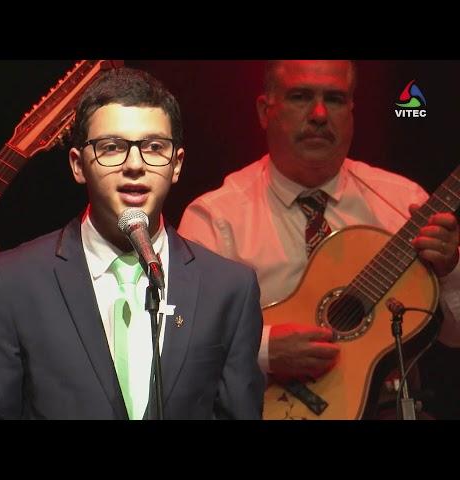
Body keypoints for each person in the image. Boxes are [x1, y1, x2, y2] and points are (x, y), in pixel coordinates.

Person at [0, 67, 264, 420]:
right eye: (111, 148)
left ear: (177, 165)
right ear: (78, 165)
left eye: (154, 147)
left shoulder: (229, 289)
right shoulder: (12, 284)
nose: (134, 164)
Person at [178, 60, 460, 418]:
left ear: (352, 111)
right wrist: (263, 350)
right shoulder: (216, 218)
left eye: (336, 99)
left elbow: (455, 335)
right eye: (300, 96)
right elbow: (180, 341)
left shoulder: (405, 203)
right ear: (265, 111)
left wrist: (451, 269)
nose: (320, 114)